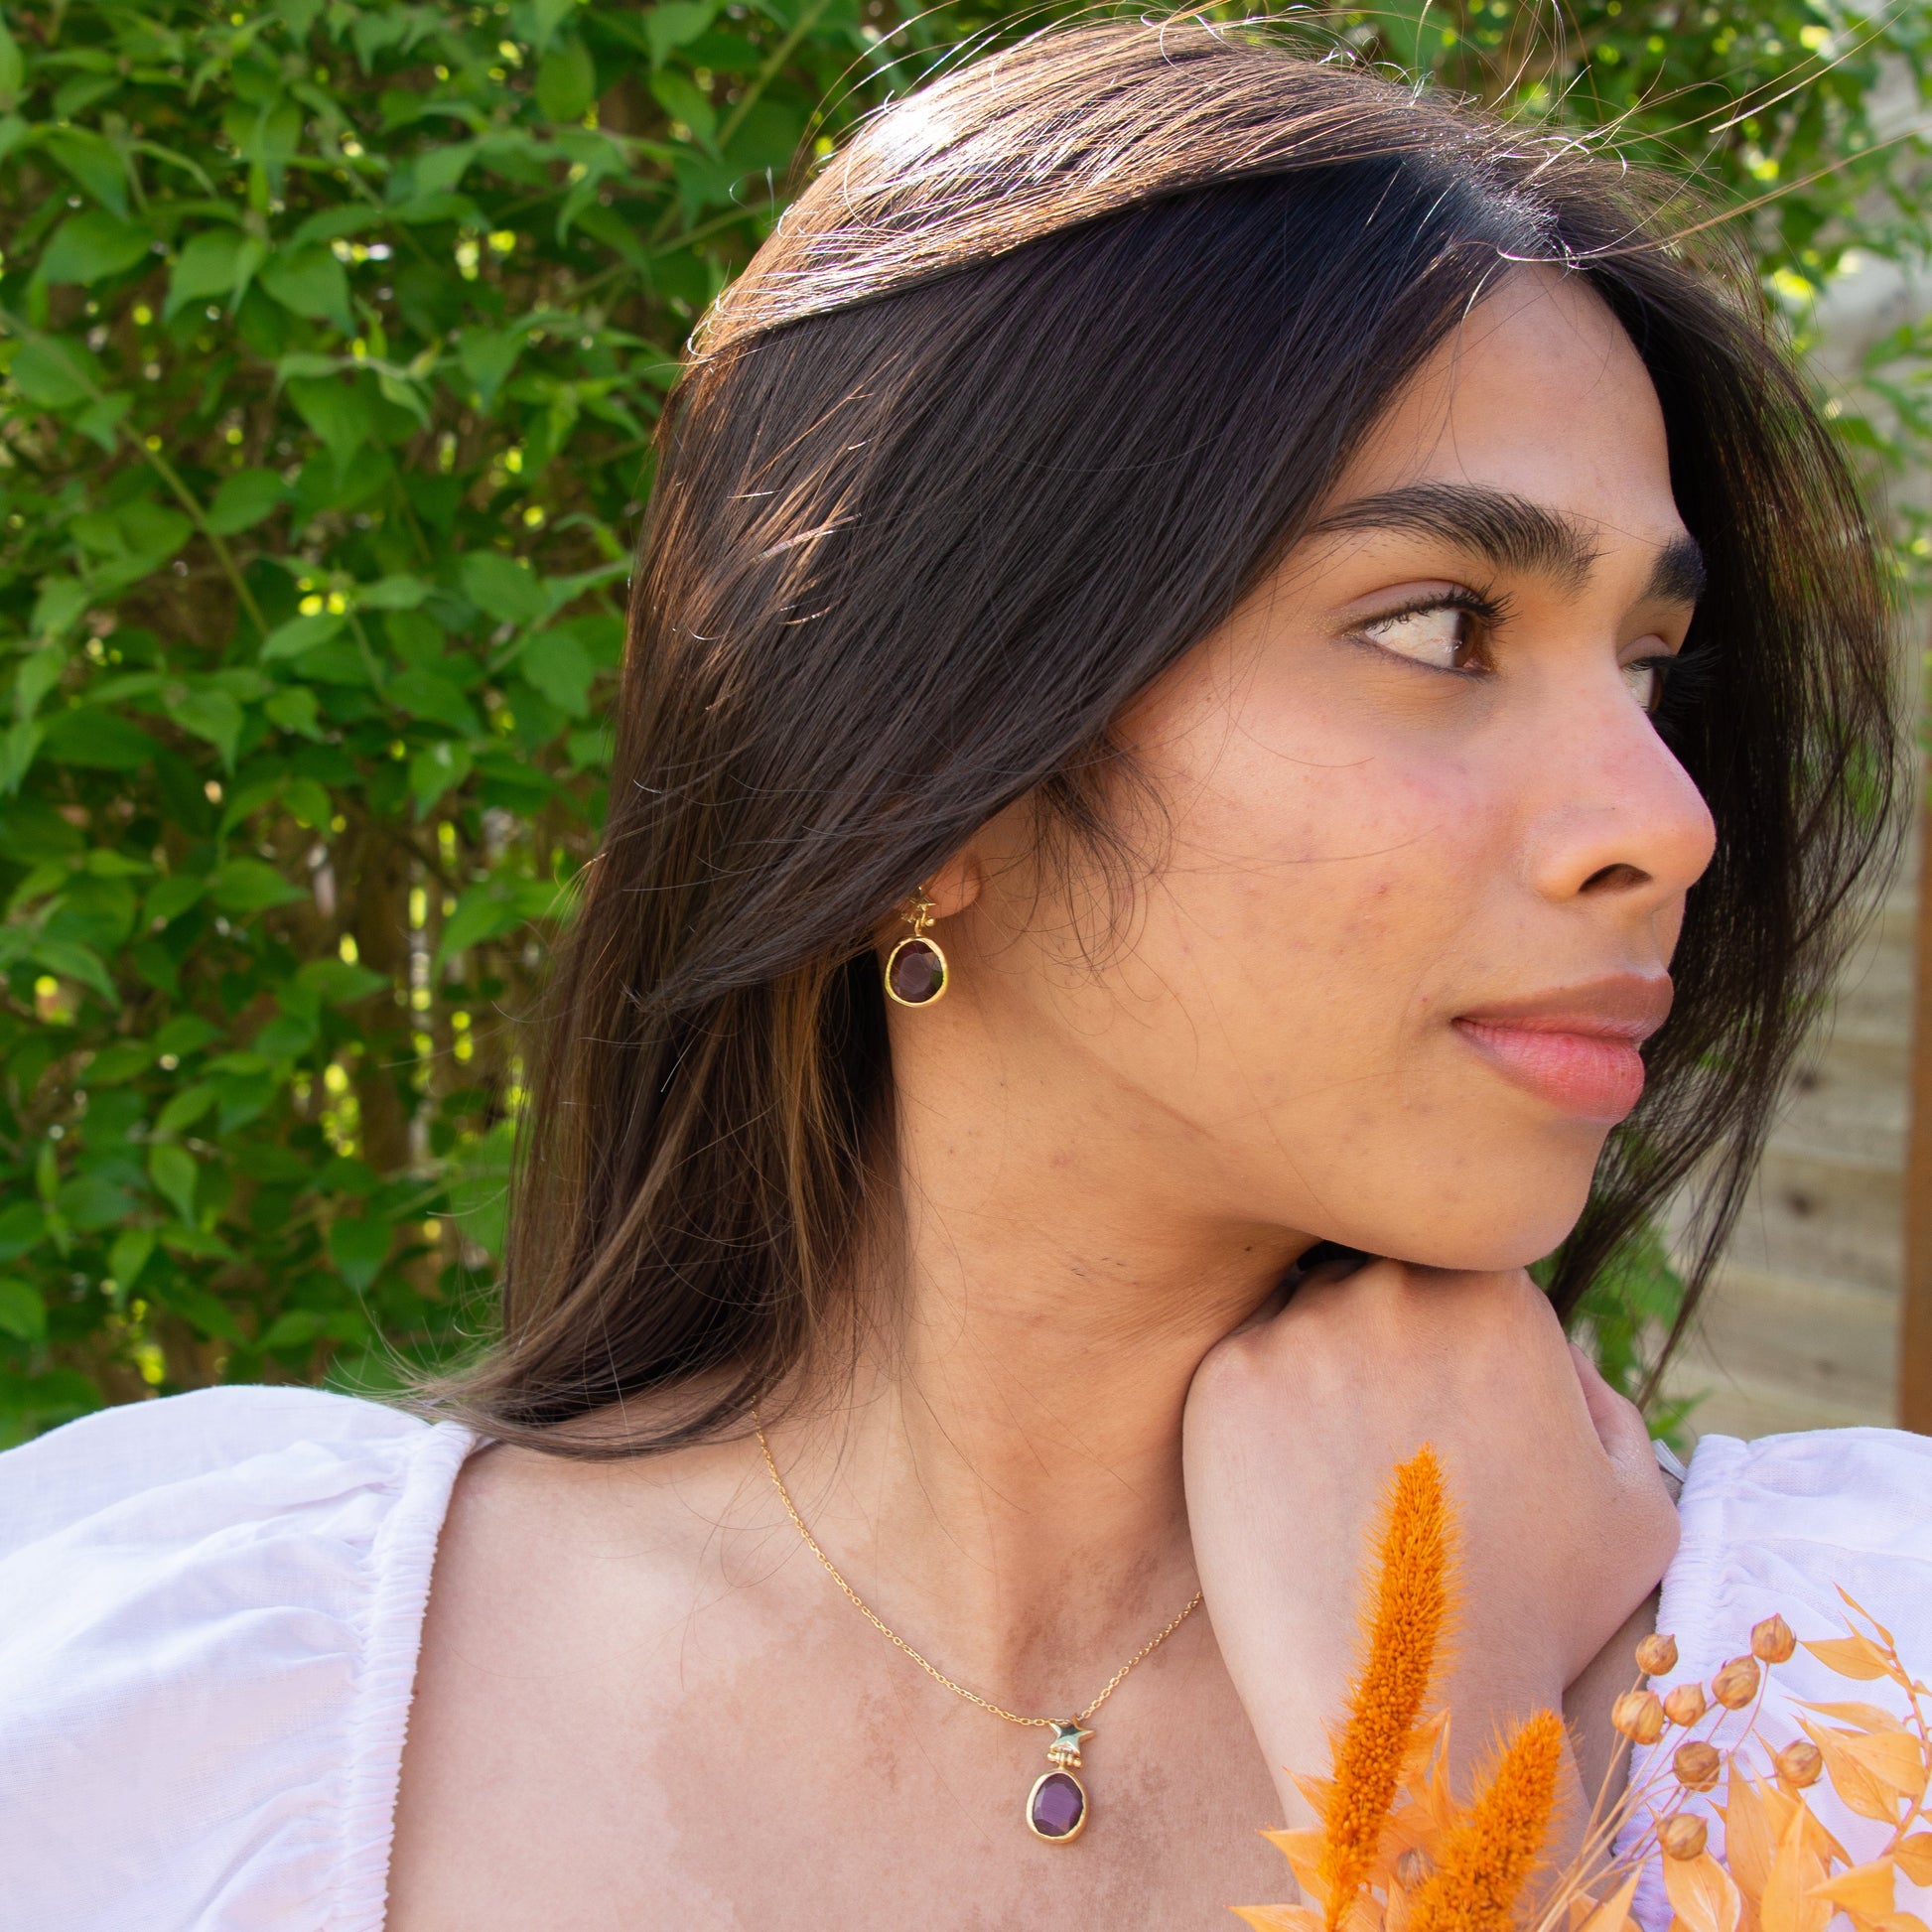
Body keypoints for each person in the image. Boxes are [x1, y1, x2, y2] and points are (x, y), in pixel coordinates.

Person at [2, 21, 1926, 1932]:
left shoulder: (1853, 1697)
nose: (1660, 816)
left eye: (1646, 661)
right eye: (1437, 626)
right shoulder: (172, 1712)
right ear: (915, 771)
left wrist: (1469, 1807)